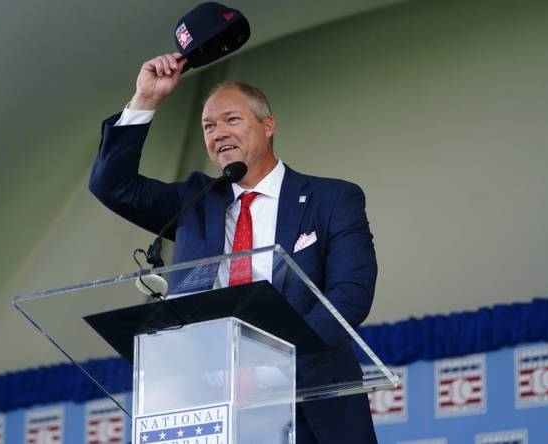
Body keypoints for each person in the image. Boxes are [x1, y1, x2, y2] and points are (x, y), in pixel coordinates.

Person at [89, 52, 378, 444]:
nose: (218, 133)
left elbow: (351, 296)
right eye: (208, 125)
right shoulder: (195, 202)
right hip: (206, 409)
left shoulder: (332, 199)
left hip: (307, 401)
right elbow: (111, 186)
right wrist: (146, 99)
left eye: (232, 120)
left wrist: (272, 355)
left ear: (268, 125)